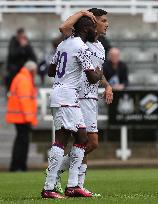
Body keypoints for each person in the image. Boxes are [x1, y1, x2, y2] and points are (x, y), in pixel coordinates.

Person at [41, 16, 103, 199]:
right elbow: (92, 78)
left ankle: (73, 186)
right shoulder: (82, 47)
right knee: (61, 139)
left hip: (63, 94)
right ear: (85, 29)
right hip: (67, 96)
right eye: (93, 27)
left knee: (82, 138)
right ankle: (49, 187)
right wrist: (98, 72)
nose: (95, 30)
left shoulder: (63, 44)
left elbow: (51, 71)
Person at [55, 8, 113, 196]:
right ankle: (56, 172)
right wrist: (82, 13)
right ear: (93, 22)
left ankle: (77, 183)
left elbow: (97, 72)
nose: (107, 24)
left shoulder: (101, 47)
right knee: (91, 142)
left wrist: (108, 85)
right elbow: (64, 27)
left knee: (84, 143)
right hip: (78, 96)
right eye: (103, 20)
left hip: (91, 97)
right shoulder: (79, 41)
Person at [6, 61, 38, 172]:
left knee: (20, 141)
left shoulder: (21, 77)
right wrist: (29, 119)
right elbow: (25, 101)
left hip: (19, 117)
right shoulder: (24, 79)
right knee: (22, 142)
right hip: (22, 118)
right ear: (32, 70)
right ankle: (19, 166)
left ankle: (17, 165)